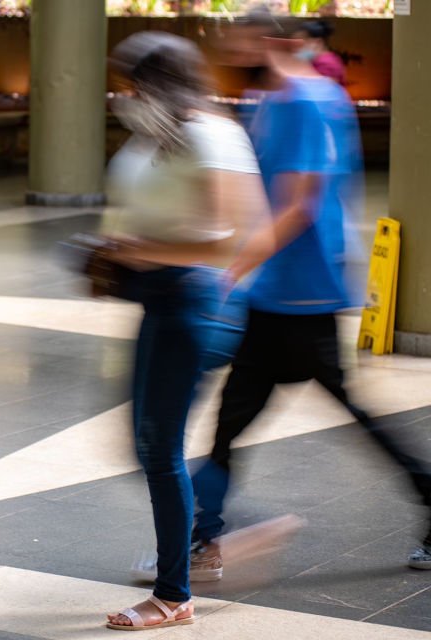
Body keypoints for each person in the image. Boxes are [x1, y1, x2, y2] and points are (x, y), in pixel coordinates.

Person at [190, 13, 431, 579]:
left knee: (313, 416)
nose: (230, 46)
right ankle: (203, 536)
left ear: (275, 42)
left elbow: (300, 204)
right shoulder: (270, 100)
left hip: (302, 295)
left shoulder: (303, 101)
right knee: (234, 422)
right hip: (276, 292)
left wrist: (235, 266)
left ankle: (202, 538)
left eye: (243, 36)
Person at [97, 32, 269, 630]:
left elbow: (226, 235)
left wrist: (139, 248)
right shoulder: (158, 134)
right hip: (157, 300)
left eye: (131, 84)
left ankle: (175, 593)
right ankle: (210, 533)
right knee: (146, 446)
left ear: (159, 83)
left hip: (195, 301)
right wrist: (116, 251)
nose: (123, 96)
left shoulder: (211, 135)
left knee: (158, 446)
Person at [295, 19, 346, 86]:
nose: (297, 47)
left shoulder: (327, 64)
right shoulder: (315, 60)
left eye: (301, 42)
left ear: (317, 42)